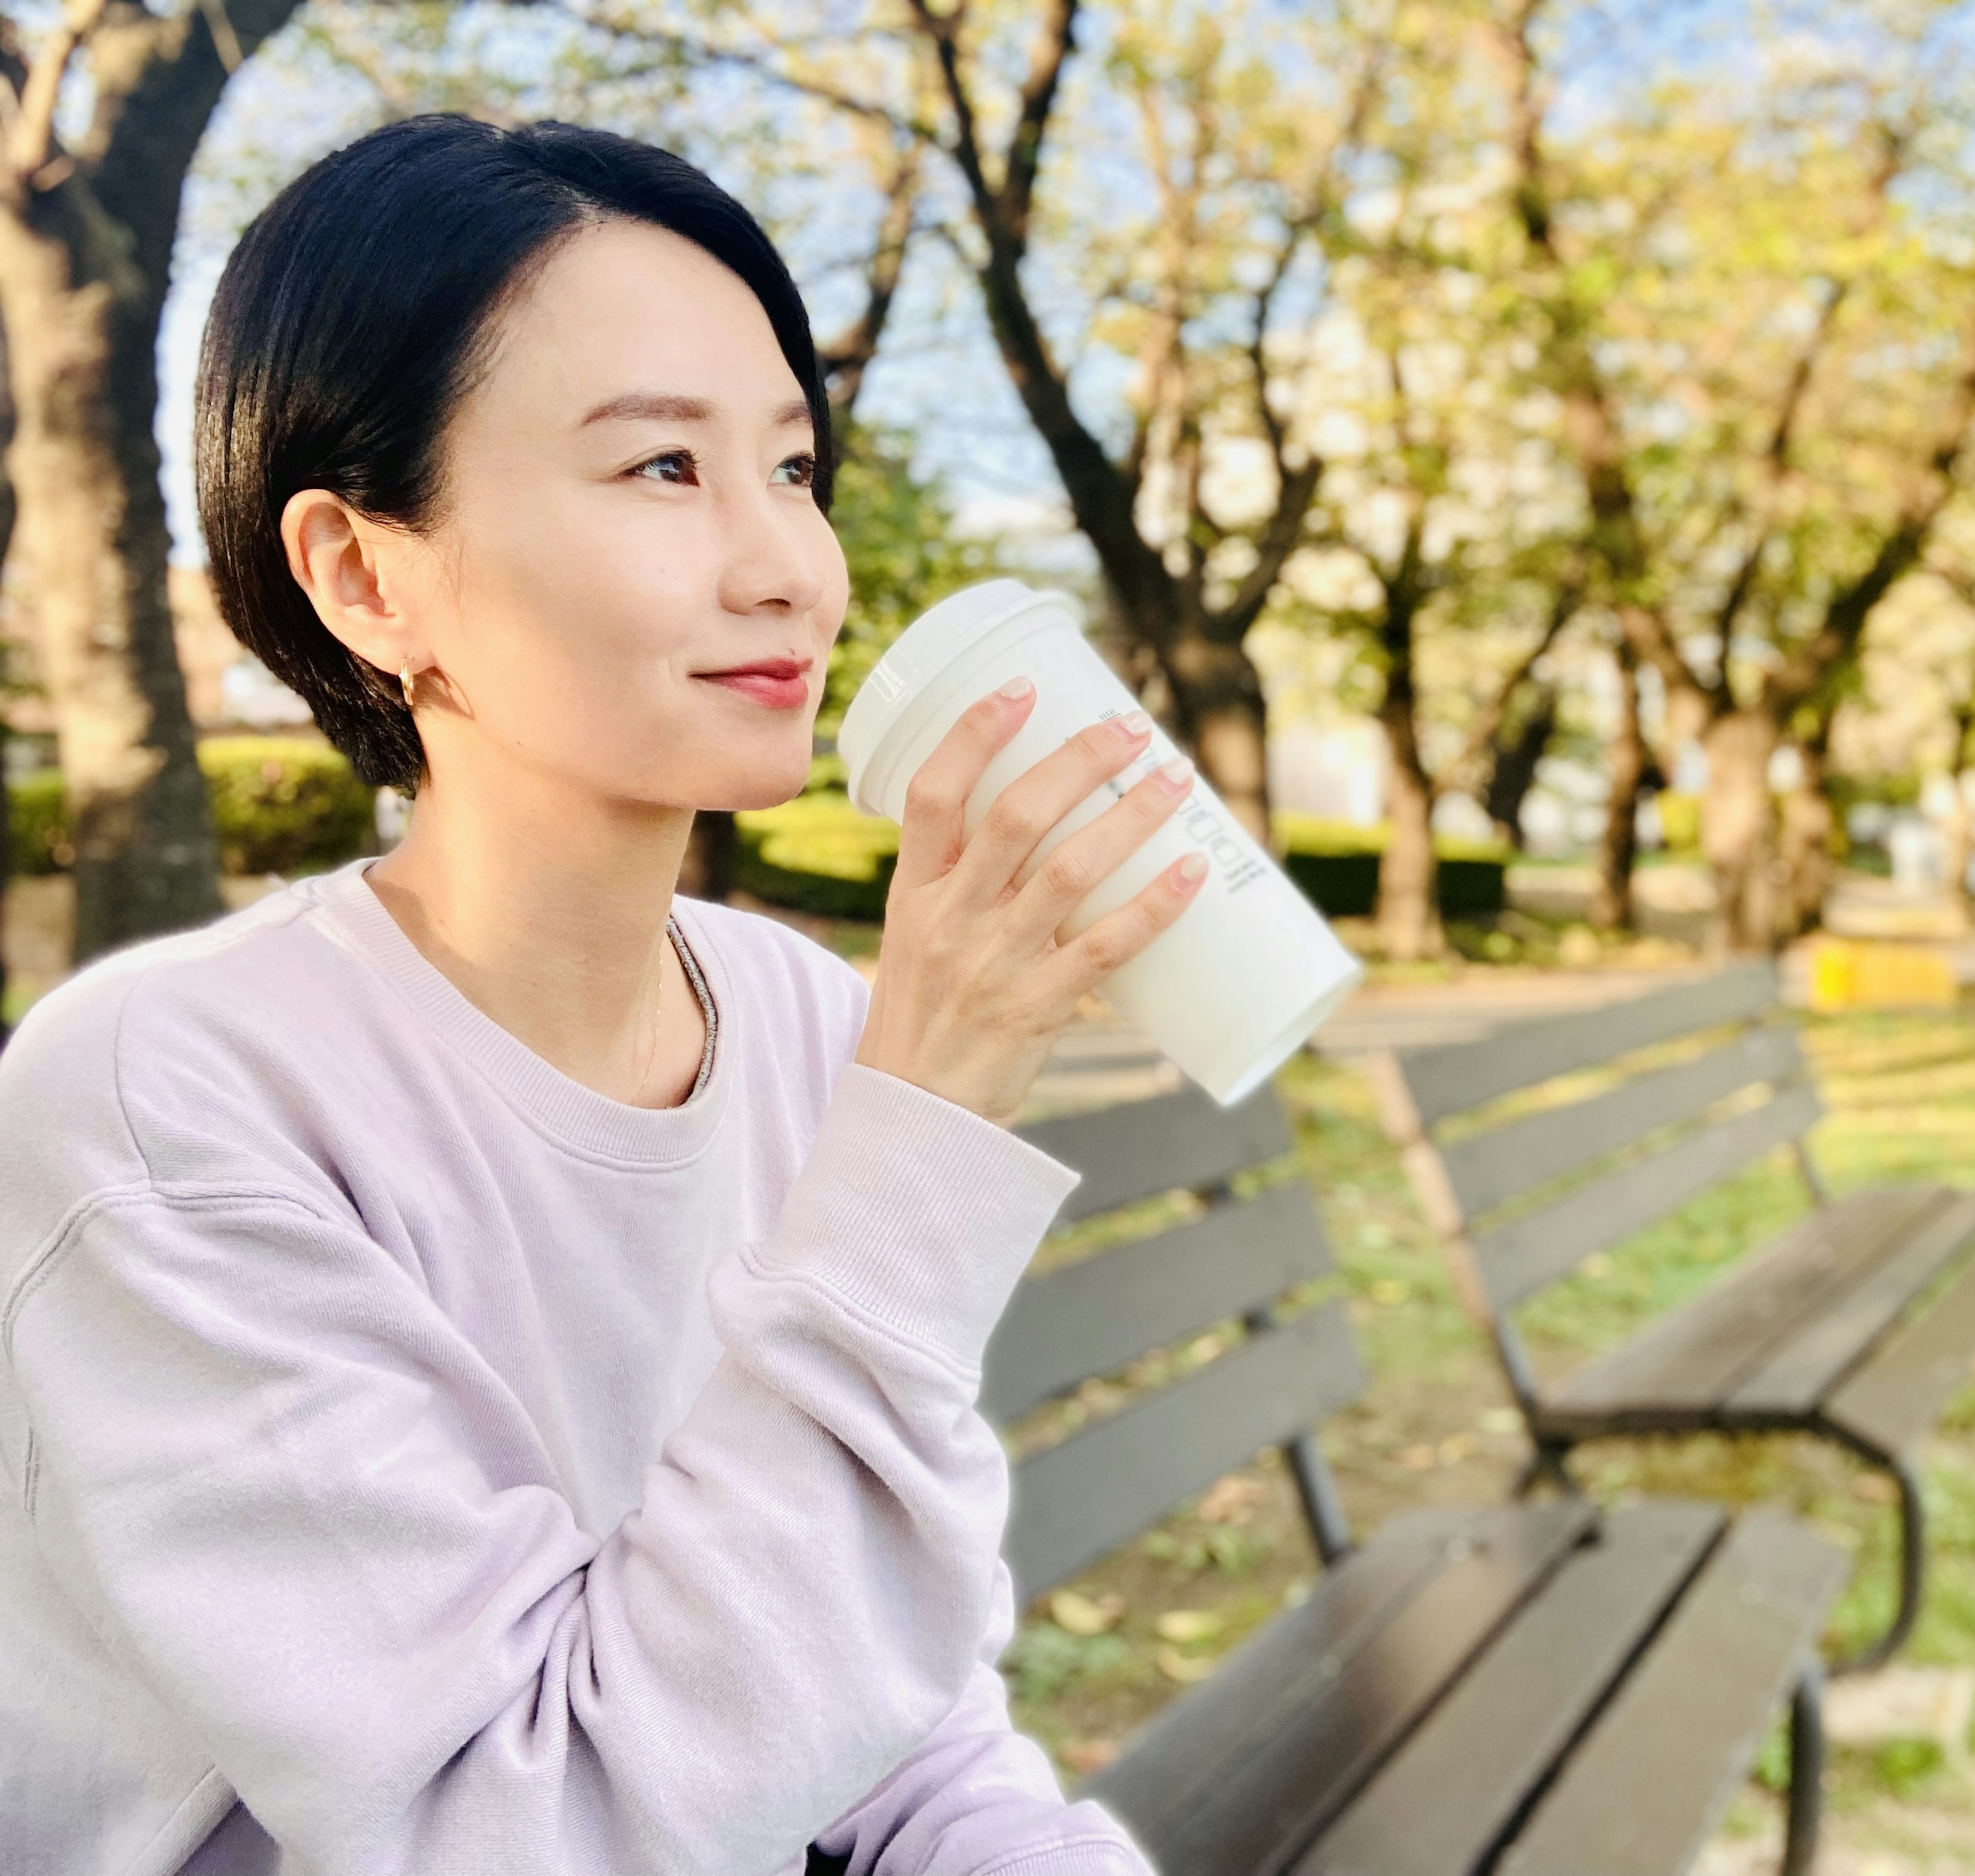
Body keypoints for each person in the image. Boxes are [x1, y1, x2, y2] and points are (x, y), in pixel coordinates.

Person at [0, 116, 1207, 1875]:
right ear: (364, 573)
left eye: (793, 469)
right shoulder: (166, 1100)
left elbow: (889, 1719)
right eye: (662, 468)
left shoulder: (795, 1018)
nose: (791, 563)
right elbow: (528, 1829)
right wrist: (928, 1124)